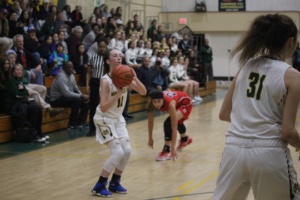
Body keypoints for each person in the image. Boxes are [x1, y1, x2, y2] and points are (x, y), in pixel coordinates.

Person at [212, 14, 300, 200]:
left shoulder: (246, 66)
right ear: (291, 41)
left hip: (233, 149)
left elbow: (224, 113)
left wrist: (248, 121)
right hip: (269, 152)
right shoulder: (292, 76)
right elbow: (288, 132)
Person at [91, 49, 146, 197]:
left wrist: (135, 78)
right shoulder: (105, 80)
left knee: (127, 151)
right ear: (108, 61)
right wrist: (118, 95)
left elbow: (143, 92)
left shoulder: (125, 76)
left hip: (118, 119)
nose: (119, 57)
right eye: (114, 56)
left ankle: (115, 182)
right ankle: (99, 185)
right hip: (103, 119)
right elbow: (103, 107)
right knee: (118, 152)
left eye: (120, 55)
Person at [147, 89, 193, 161]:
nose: (157, 104)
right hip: (177, 101)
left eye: (159, 101)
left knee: (168, 123)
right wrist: (150, 137)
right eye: (154, 102)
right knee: (177, 121)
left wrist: (173, 148)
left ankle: (166, 150)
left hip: (186, 103)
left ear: (163, 99)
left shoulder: (170, 104)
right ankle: (185, 139)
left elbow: (174, 128)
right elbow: (150, 122)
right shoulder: (150, 105)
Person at [49, 61, 89, 130]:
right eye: (68, 67)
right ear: (64, 68)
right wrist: (80, 96)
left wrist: (82, 95)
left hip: (64, 97)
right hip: (56, 99)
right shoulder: (61, 77)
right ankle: (72, 124)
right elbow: (66, 93)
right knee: (77, 100)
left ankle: (81, 122)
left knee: (86, 100)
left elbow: (75, 88)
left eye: (71, 67)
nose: (70, 69)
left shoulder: (72, 75)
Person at [85, 40, 107, 137]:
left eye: (103, 47)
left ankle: (103, 129)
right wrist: (87, 85)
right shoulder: (92, 57)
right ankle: (92, 129)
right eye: (100, 46)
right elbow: (89, 72)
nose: (102, 48)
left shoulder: (108, 58)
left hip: (105, 83)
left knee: (103, 107)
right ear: (97, 47)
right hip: (94, 82)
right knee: (93, 106)